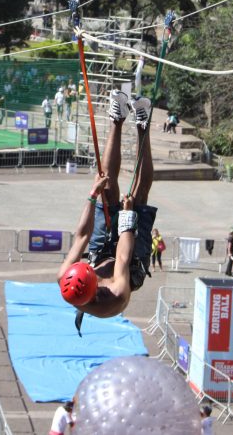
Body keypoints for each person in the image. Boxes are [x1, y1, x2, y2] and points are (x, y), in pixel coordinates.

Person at [56, 91, 158, 326]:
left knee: (105, 188)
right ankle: (143, 124)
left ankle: (117, 119)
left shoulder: (65, 276)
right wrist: (128, 216)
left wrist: (92, 196)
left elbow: (81, 236)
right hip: (130, 264)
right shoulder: (115, 296)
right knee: (138, 195)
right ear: (94, 288)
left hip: (99, 254)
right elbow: (123, 256)